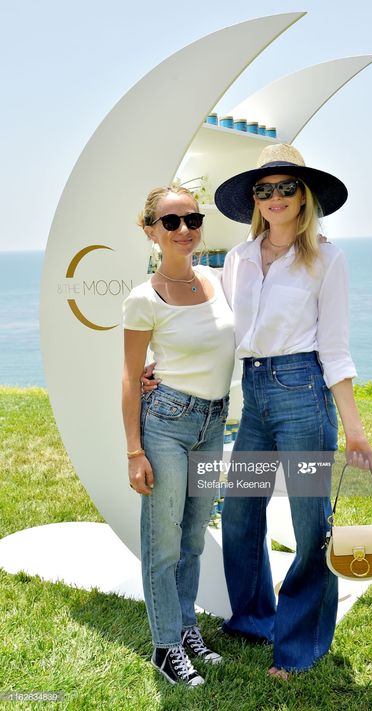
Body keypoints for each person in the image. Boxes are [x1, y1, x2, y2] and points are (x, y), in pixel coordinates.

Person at [213, 143, 372, 679]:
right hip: (255, 394)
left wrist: (353, 427)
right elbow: (219, 330)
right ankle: (255, 619)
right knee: (239, 514)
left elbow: (336, 346)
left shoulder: (327, 258)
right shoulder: (236, 260)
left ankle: (299, 642)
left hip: (303, 392)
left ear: (304, 197)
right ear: (254, 199)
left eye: (286, 187)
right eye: (265, 189)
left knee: (310, 525)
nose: (275, 197)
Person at [122, 185, 234, 686]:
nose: (185, 230)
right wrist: (134, 452)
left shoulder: (216, 279)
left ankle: (187, 628)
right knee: (163, 542)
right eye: (171, 222)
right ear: (150, 231)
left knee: (193, 537)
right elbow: (129, 378)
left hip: (213, 423)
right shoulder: (143, 298)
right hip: (166, 425)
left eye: (193, 219)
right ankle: (165, 647)